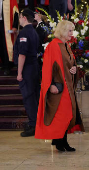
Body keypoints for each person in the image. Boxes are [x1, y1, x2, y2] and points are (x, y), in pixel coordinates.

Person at [35, 20, 84, 152]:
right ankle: (60, 142)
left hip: (67, 86)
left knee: (66, 115)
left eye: (72, 30)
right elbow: (47, 68)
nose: (71, 33)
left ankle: (61, 142)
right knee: (61, 116)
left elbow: (71, 64)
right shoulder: (53, 45)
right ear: (62, 31)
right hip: (59, 87)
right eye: (69, 30)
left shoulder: (66, 45)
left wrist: (74, 69)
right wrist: (50, 85)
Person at [13, 9, 40, 137]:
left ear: (24, 17)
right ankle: (35, 123)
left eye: (19, 18)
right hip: (34, 67)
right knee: (34, 97)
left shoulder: (24, 33)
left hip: (27, 69)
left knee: (29, 97)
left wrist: (19, 73)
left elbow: (22, 54)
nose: (19, 20)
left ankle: (33, 125)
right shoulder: (34, 32)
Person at [0, 0, 19, 75]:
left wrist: (14, 26)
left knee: (6, 46)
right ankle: (4, 64)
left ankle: (8, 66)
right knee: (0, 45)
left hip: (7, 25)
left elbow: (16, 13)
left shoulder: (11, 0)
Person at [34, 9, 49, 79]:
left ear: (39, 16)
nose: (34, 15)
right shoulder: (40, 25)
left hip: (41, 49)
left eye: (36, 14)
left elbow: (40, 39)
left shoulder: (41, 26)